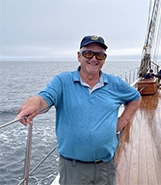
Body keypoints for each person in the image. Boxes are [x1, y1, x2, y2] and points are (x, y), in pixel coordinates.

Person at [15, 35, 141, 185]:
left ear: (104, 59)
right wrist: (33, 103)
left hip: (106, 166)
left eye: (100, 55)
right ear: (79, 56)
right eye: (88, 53)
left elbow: (135, 97)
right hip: (73, 168)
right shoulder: (62, 81)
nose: (94, 58)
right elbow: (44, 98)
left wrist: (122, 121)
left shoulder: (115, 83)